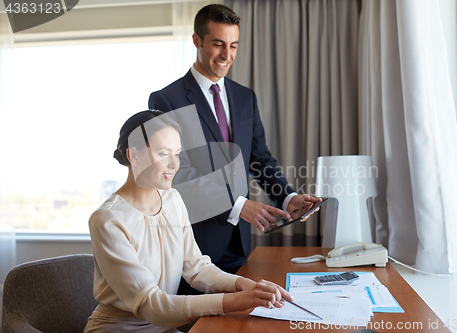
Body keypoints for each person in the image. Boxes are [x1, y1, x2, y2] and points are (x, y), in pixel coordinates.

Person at [148, 4, 321, 281]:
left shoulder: (245, 97)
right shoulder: (167, 100)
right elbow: (178, 172)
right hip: (195, 244)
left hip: (240, 243)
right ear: (197, 40)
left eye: (234, 46)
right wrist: (239, 206)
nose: (227, 55)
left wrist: (286, 198)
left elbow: (259, 158)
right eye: (218, 44)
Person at [84, 110, 292, 333]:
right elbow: (150, 305)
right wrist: (234, 301)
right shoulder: (107, 219)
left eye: (177, 154)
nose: (175, 164)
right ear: (133, 155)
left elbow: (196, 268)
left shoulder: (172, 198)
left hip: (164, 327)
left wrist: (243, 285)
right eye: (164, 154)